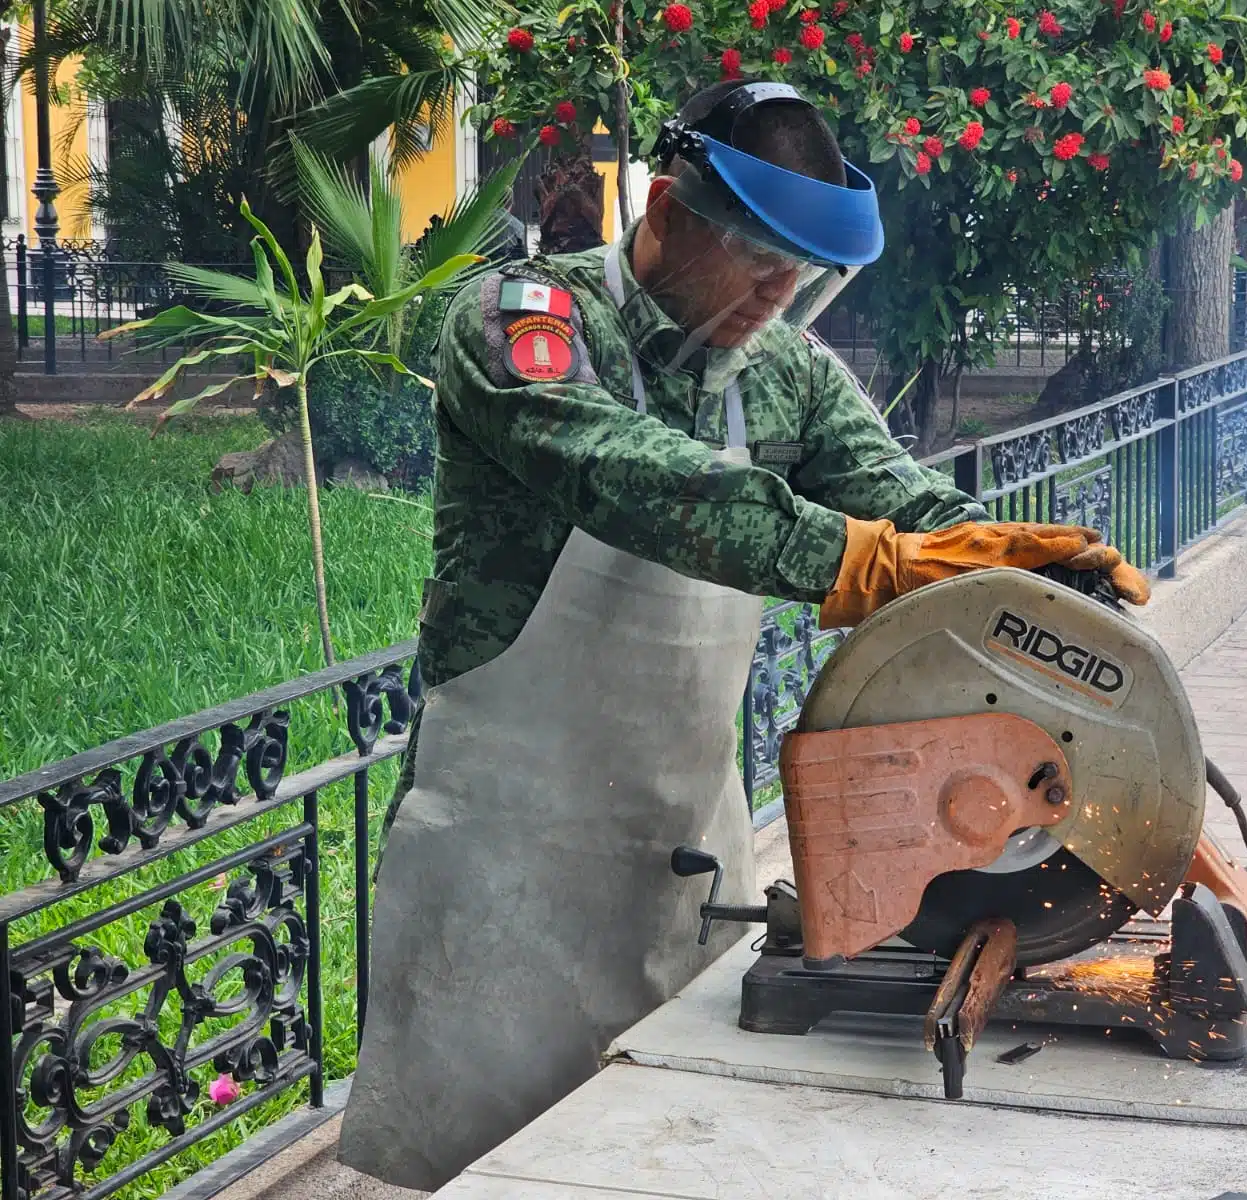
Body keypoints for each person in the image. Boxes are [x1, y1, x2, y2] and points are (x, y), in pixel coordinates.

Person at [338, 77, 1149, 1191]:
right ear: (665, 215)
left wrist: (1024, 572)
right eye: (758, 263)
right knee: (503, 1169)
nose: (780, 296)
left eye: (803, 276)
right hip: (506, 844)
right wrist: (856, 559)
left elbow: (905, 507)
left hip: (681, 837)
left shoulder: (784, 371)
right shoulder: (517, 323)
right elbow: (624, 477)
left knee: (662, 1152)